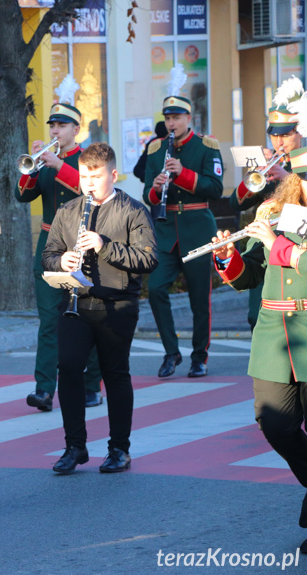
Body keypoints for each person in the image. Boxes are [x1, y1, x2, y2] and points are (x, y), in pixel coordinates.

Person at [43, 142, 158, 474]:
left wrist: (105, 246)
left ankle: (119, 449)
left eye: (95, 176)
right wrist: (61, 260)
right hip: (76, 303)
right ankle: (74, 446)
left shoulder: (132, 211)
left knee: (115, 374)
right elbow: (48, 254)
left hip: (117, 304)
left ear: (113, 175)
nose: (88, 183)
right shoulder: (68, 211)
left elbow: (148, 259)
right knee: (68, 369)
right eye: (83, 176)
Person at [212, 150, 307, 546]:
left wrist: (277, 245)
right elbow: (250, 275)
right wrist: (227, 257)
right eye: (301, 176)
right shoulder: (272, 210)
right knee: (274, 423)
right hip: (273, 334)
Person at [15, 96, 103, 412]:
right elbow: (22, 195)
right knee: (49, 319)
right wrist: (33, 166)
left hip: (82, 245)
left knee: (88, 316)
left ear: (76, 129)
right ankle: (44, 390)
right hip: (50, 244)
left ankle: (92, 385)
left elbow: (94, 192)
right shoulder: (46, 159)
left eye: (62, 125)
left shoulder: (91, 157)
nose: (55, 129)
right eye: (52, 124)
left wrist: (60, 166)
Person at [143, 85, 223, 379]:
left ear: (189, 118)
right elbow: (146, 195)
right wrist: (155, 187)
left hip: (197, 230)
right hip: (166, 232)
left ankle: (199, 357)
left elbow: (214, 189)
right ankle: (171, 352)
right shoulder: (155, 149)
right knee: (155, 289)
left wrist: (183, 174)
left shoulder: (206, 147)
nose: (171, 123)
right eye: (168, 118)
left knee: (199, 299)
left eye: (177, 117)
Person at [229, 78, 303, 329]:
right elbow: (234, 204)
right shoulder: (269, 163)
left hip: (295, 248)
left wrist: (289, 177)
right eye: (274, 135)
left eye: (285, 134)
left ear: (301, 131)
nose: (279, 142)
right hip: (263, 249)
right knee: (256, 315)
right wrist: (254, 176)